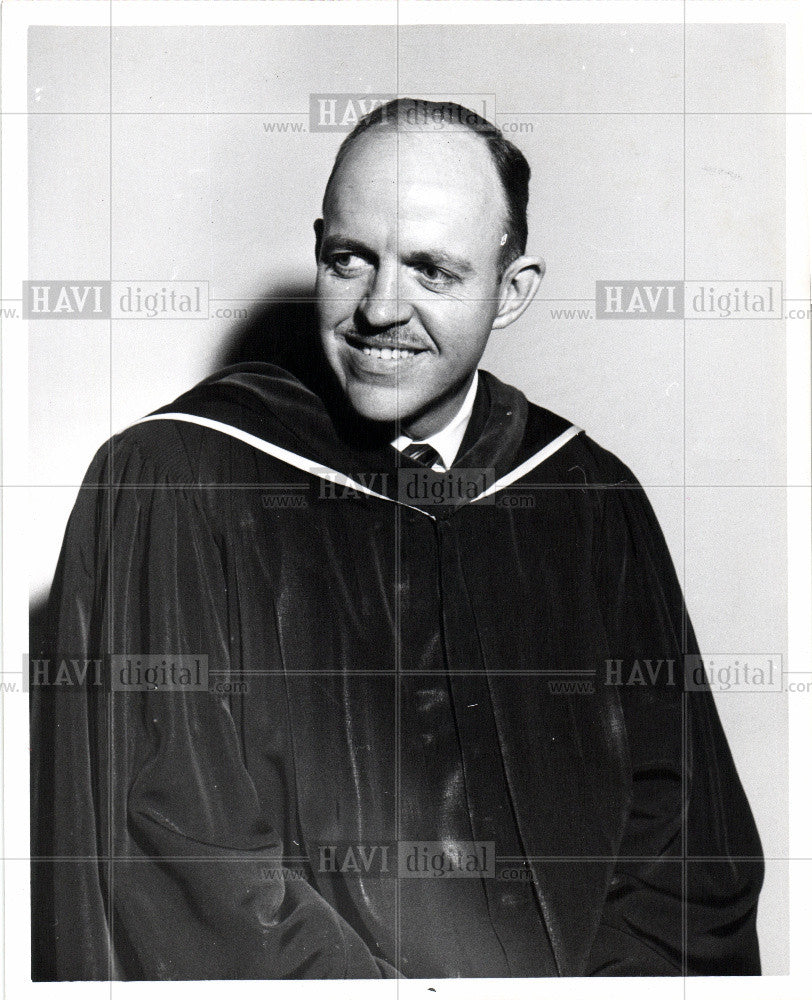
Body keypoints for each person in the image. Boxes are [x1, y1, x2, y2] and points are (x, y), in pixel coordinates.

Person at [31, 98, 763, 980]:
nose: (380, 308)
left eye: (433, 271)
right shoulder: (178, 483)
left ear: (513, 289)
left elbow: (686, 852)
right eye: (350, 259)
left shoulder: (587, 497)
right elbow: (173, 855)